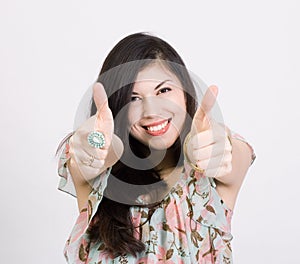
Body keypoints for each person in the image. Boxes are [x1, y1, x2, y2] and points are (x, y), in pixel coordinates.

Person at [57, 32, 255, 263]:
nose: (151, 111)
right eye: (133, 98)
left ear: (185, 90)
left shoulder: (219, 154)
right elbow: (92, 159)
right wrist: (93, 148)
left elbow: (232, 155)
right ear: (116, 106)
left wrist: (217, 150)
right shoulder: (96, 170)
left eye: (163, 90)